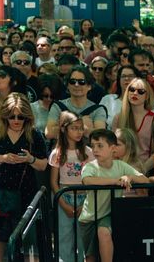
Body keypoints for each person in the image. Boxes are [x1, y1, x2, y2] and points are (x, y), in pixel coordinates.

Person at [0, 93, 48, 262]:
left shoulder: (34, 134)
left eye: (21, 117)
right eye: (12, 116)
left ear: (27, 117)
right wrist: (1, 158)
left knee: (27, 235)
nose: (16, 120)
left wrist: (29, 159)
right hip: (0, 191)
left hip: (25, 191)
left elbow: (43, 164)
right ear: (5, 116)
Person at [79, 129, 154, 262]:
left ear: (112, 148)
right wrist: (115, 181)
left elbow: (144, 180)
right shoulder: (90, 167)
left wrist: (129, 177)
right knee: (90, 257)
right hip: (89, 218)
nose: (95, 150)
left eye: (100, 146)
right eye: (93, 145)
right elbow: (88, 180)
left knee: (104, 232)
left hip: (109, 213)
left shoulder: (121, 166)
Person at [50, 111, 92, 262]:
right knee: (64, 236)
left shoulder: (88, 153)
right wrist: (63, 204)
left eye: (81, 128)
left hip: (84, 197)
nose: (79, 132)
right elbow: (54, 182)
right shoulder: (57, 153)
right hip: (64, 197)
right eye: (74, 128)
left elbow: (91, 179)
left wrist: (86, 202)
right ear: (64, 129)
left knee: (83, 238)